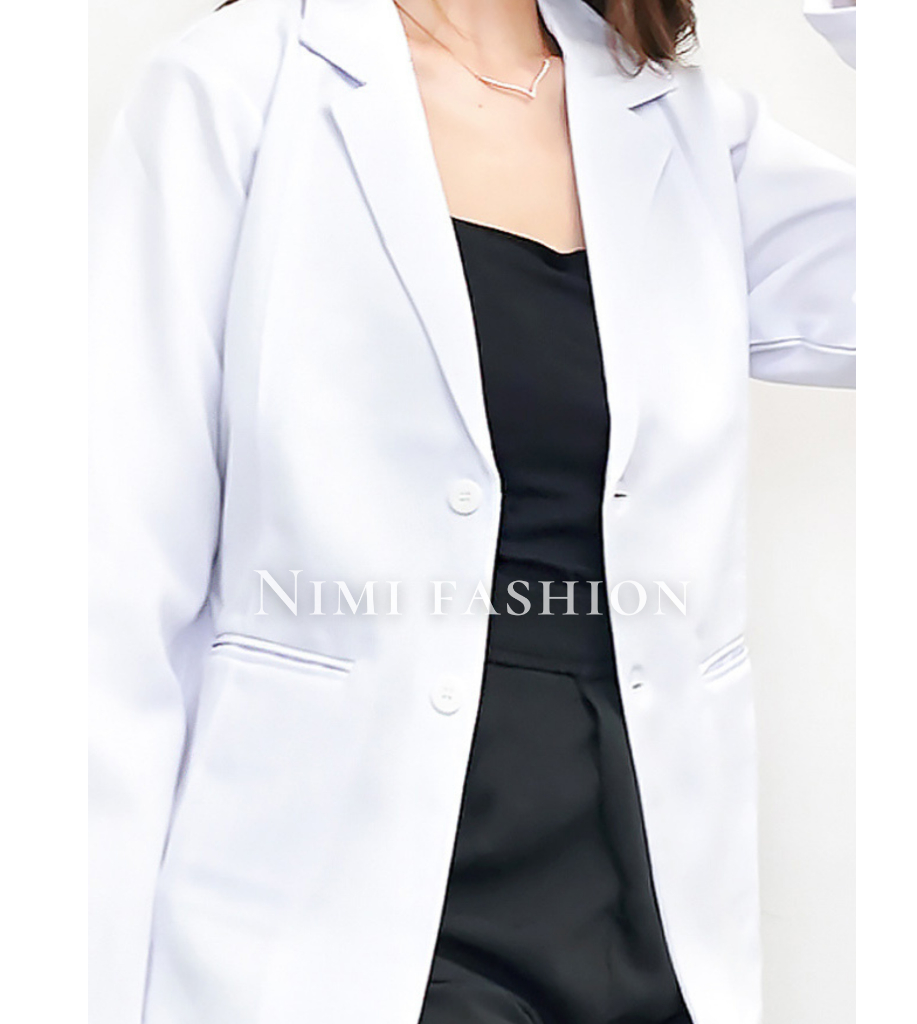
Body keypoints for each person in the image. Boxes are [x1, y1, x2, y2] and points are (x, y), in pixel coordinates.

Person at [86, 1, 856, 1022]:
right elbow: (110, 600)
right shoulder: (233, 93)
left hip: (645, 920)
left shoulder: (679, 123)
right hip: (344, 927)